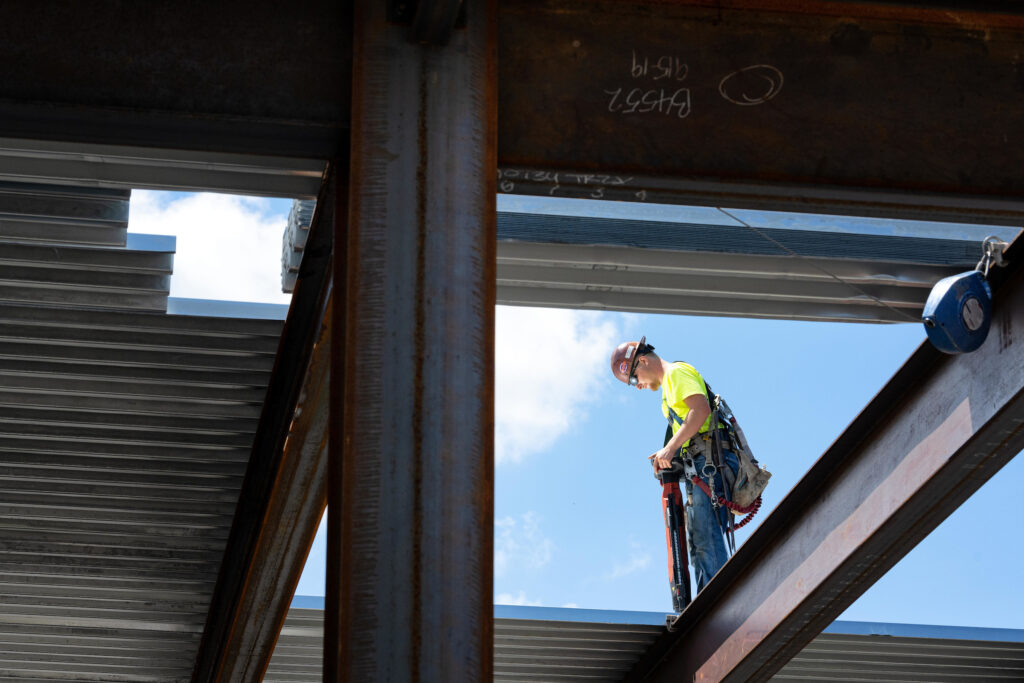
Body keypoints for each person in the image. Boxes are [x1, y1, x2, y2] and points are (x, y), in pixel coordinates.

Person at [610, 336, 739, 592]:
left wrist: (671, 448)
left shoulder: (676, 374)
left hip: (711, 464)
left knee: (705, 537)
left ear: (643, 361)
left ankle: (720, 599)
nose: (637, 387)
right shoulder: (667, 393)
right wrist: (668, 454)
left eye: (634, 380)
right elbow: (690, 428)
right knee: (697, 542)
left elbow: (699, 411)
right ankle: (708, 599)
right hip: (702, 467)